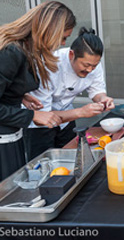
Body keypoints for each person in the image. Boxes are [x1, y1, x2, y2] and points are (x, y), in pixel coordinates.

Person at [0, 1, 75, 197]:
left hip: (9, 140)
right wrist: (32, 116)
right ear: (50, 30)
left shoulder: (21, 48)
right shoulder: (10, 52)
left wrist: (20, 94)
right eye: (63, 37)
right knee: (0, 203)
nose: (63, 44)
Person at [23, 27, 115, 161]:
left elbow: (97, 90)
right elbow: (44, 114)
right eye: (86, 65)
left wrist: (103, 99)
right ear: (71, 55)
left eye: (94, 66)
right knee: (42, 165)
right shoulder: (49, 65)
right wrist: (81, 112)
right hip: (39, 124)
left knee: (72, 160)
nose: (90, 70)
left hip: (67, 119)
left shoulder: (93, 64)